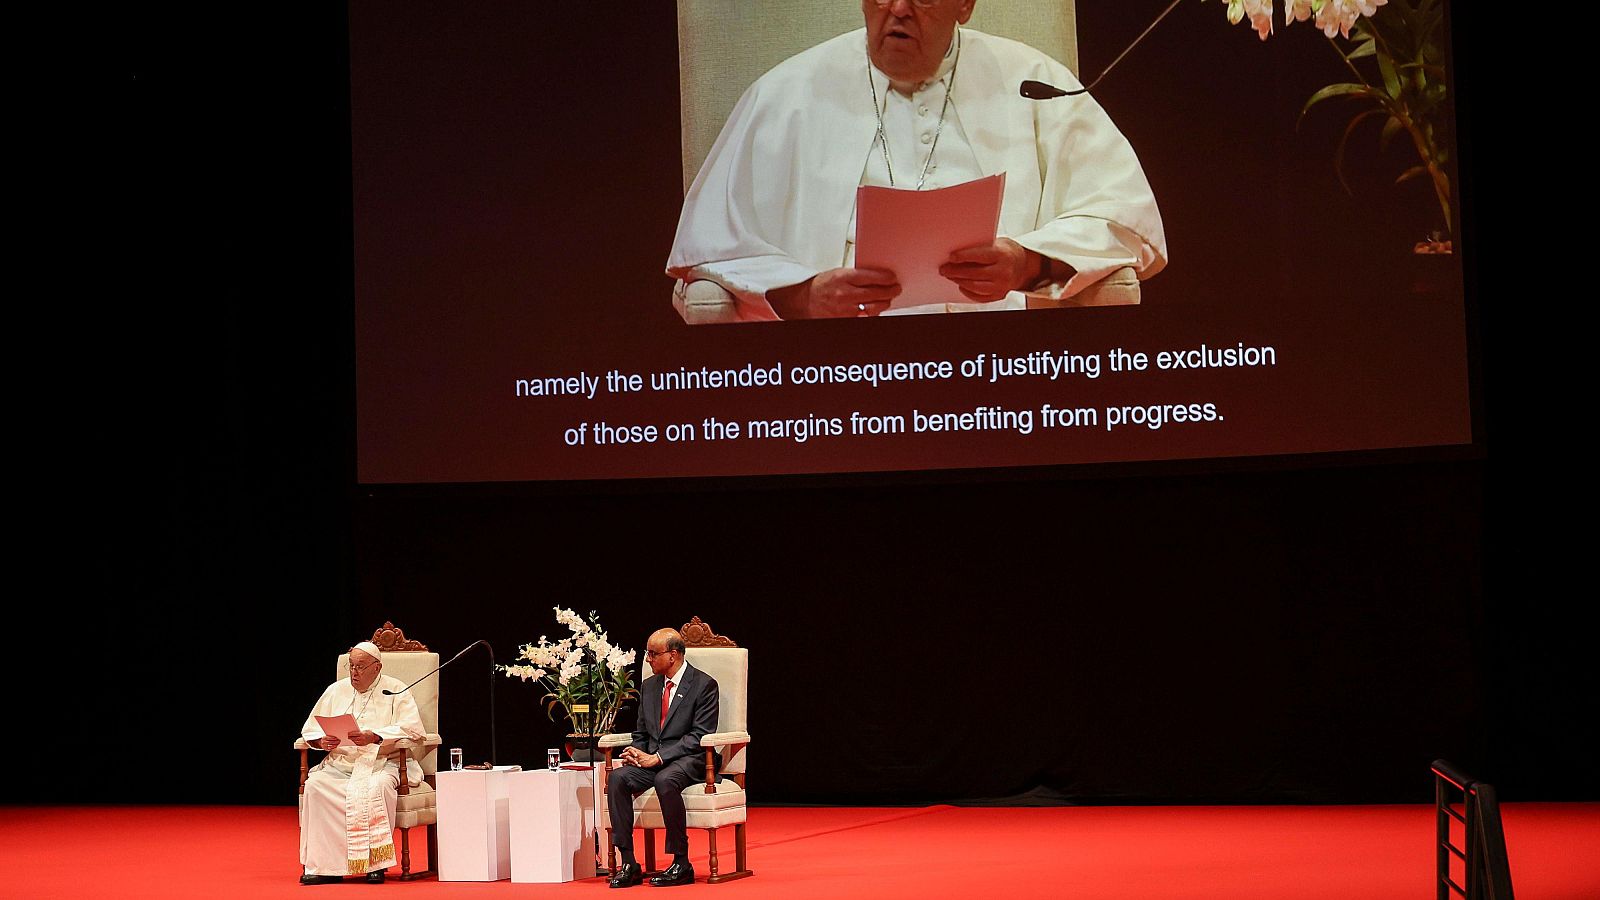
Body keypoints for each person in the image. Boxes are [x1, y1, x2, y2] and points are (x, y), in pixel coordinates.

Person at [667, 0, 1166, 320]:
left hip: (1003, 362)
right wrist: (804, 296)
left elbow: (1122, 220)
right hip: (836, 369)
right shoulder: (784, 96)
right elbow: (711, 251)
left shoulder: (1034, 82)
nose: (899, 10)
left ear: (965, 5)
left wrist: (1026, 264)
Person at [298, 641, 425, 885]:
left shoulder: (395, 690)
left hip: (381, 762)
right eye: (351, 666)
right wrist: (321, 741)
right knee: (316, 786)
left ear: (377, 668)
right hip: (340, 763)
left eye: (360, 667)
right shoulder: (336, 690)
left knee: (378, 787)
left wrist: (375, 736)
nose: (354, 673)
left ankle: (374, 865)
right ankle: (326, 867)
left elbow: (413, 730)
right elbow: (309, 729)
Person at [607, 628, 721, 888]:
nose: (648, 659)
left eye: (652, 654)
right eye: (647, 653)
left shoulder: (704, 685)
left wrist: (657, 757)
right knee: (618, 779)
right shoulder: (650, 686)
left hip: (691, 758)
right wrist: (636, 753)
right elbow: (641, 732)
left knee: (665, 779)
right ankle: (629, 863)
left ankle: (681, 863)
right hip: (653, 758)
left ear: (673, 655)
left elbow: (699, 735)